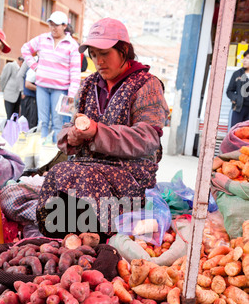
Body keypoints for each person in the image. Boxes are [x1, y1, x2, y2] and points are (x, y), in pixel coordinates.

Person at [36, 17, 169, 241]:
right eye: (94, 54)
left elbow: (148, 138)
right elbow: (70, 126)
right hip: (85, 168)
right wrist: (73, 136)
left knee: (79, 177)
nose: (98, 61)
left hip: (131, 177)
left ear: (124, 50)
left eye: (105, 53)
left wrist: (98, 132)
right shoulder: (88, 85)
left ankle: (98, 239)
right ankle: (67, 240)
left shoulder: (147, 85)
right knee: (59, 174)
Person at [21, 10, 81, 143]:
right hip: (42, 87)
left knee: (58, 123)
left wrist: (71, 95)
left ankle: (55, 154)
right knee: (42, 122)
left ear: (64, 26)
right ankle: (41, 153)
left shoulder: (72, 45)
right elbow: (25, 49)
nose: (53, 28)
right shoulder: (42, 39)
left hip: (61, 90)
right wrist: (35, 66)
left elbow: (76, 73)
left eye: (57, 25)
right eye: (51, 24)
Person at [227, 49, 249, 128]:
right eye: (244, 58)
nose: (244, 60)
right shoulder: (237, 74)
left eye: (248, 58)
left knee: (246, 137)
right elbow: (229, 91)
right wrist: (235, 98)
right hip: (238, 109)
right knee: (234, 132)